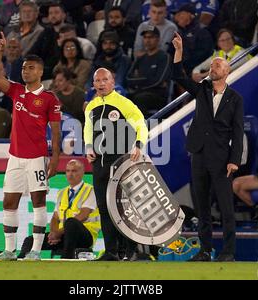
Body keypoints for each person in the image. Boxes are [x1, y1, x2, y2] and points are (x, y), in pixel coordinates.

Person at [0, 33, 62, 261]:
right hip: (15, 158)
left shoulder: (50, 99)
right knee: (9, 202)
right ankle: (9, 250)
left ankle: (36, 251)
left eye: (30, 68)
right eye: (23, 67)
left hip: (37, 158)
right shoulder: (17, 91)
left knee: (38, 202)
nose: (25, 71)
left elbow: (56, 131)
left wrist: (56, 158)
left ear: (40, 72)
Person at [171, 32, 244, 262]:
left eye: (218, 65)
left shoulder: (235, 98)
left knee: (225, 207)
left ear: (227, 71)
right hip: (199, 154)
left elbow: (238, 131)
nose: (213, 67)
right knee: (202, 206)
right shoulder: (201, 90)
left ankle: (228, 252)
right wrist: (179, 51)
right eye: (212, 64)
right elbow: (177, 76)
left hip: (222, 158)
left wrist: (234, 159)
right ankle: (204, 251)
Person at [84, 67, 148, 261]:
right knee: (104, 208)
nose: (101, 84)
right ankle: (111, 251)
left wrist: (138, 144)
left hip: (120, 162)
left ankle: (132, 250)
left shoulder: (123, 103)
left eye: (105, 80)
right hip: (100, 164)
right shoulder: (91, 106)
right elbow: (88, 128)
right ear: (93, 84)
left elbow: (141, 124)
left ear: (113, 82)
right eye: (98, 80)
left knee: (124, 208)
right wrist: (88, 146)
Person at [20, 159, 101, 259]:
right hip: (63, 234)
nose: (70, 174)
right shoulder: (62, 192)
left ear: (82, 173)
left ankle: (65, 259)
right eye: (68, 171)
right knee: (30, 240)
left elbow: (83, 215)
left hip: (85, 236)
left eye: (74, 171)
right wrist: (54, 233)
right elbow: (55, 218)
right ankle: (20, 260)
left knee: (71, 222)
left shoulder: (91, 190)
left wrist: (59, 232)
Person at [126, 26, 171, 116]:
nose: (147, 40)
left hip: (158, 94)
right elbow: (128, 79)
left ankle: (146, 127)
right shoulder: (140, 58)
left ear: (157, 39)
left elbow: (158, 81)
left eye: (151, 37)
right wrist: (145, 80)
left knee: (139, 99)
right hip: (139, 92)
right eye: (145, 37)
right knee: (123, 98)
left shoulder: (164, 57)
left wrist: (139, 82)